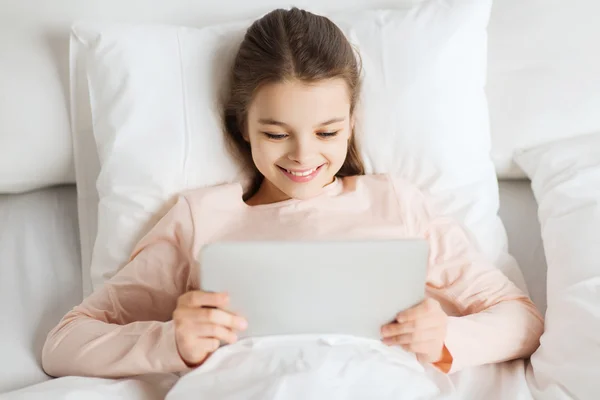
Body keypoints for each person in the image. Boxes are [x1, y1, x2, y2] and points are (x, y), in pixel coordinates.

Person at [42, 7, 543, 379]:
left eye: (326, 132)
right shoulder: (202, 218)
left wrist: (444, 339)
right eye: (277, 134)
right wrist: (171, 341)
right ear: (243, 128)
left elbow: (521, 318)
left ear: (351, 123)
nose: (303, 157)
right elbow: (65, 343)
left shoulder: (396, 204)